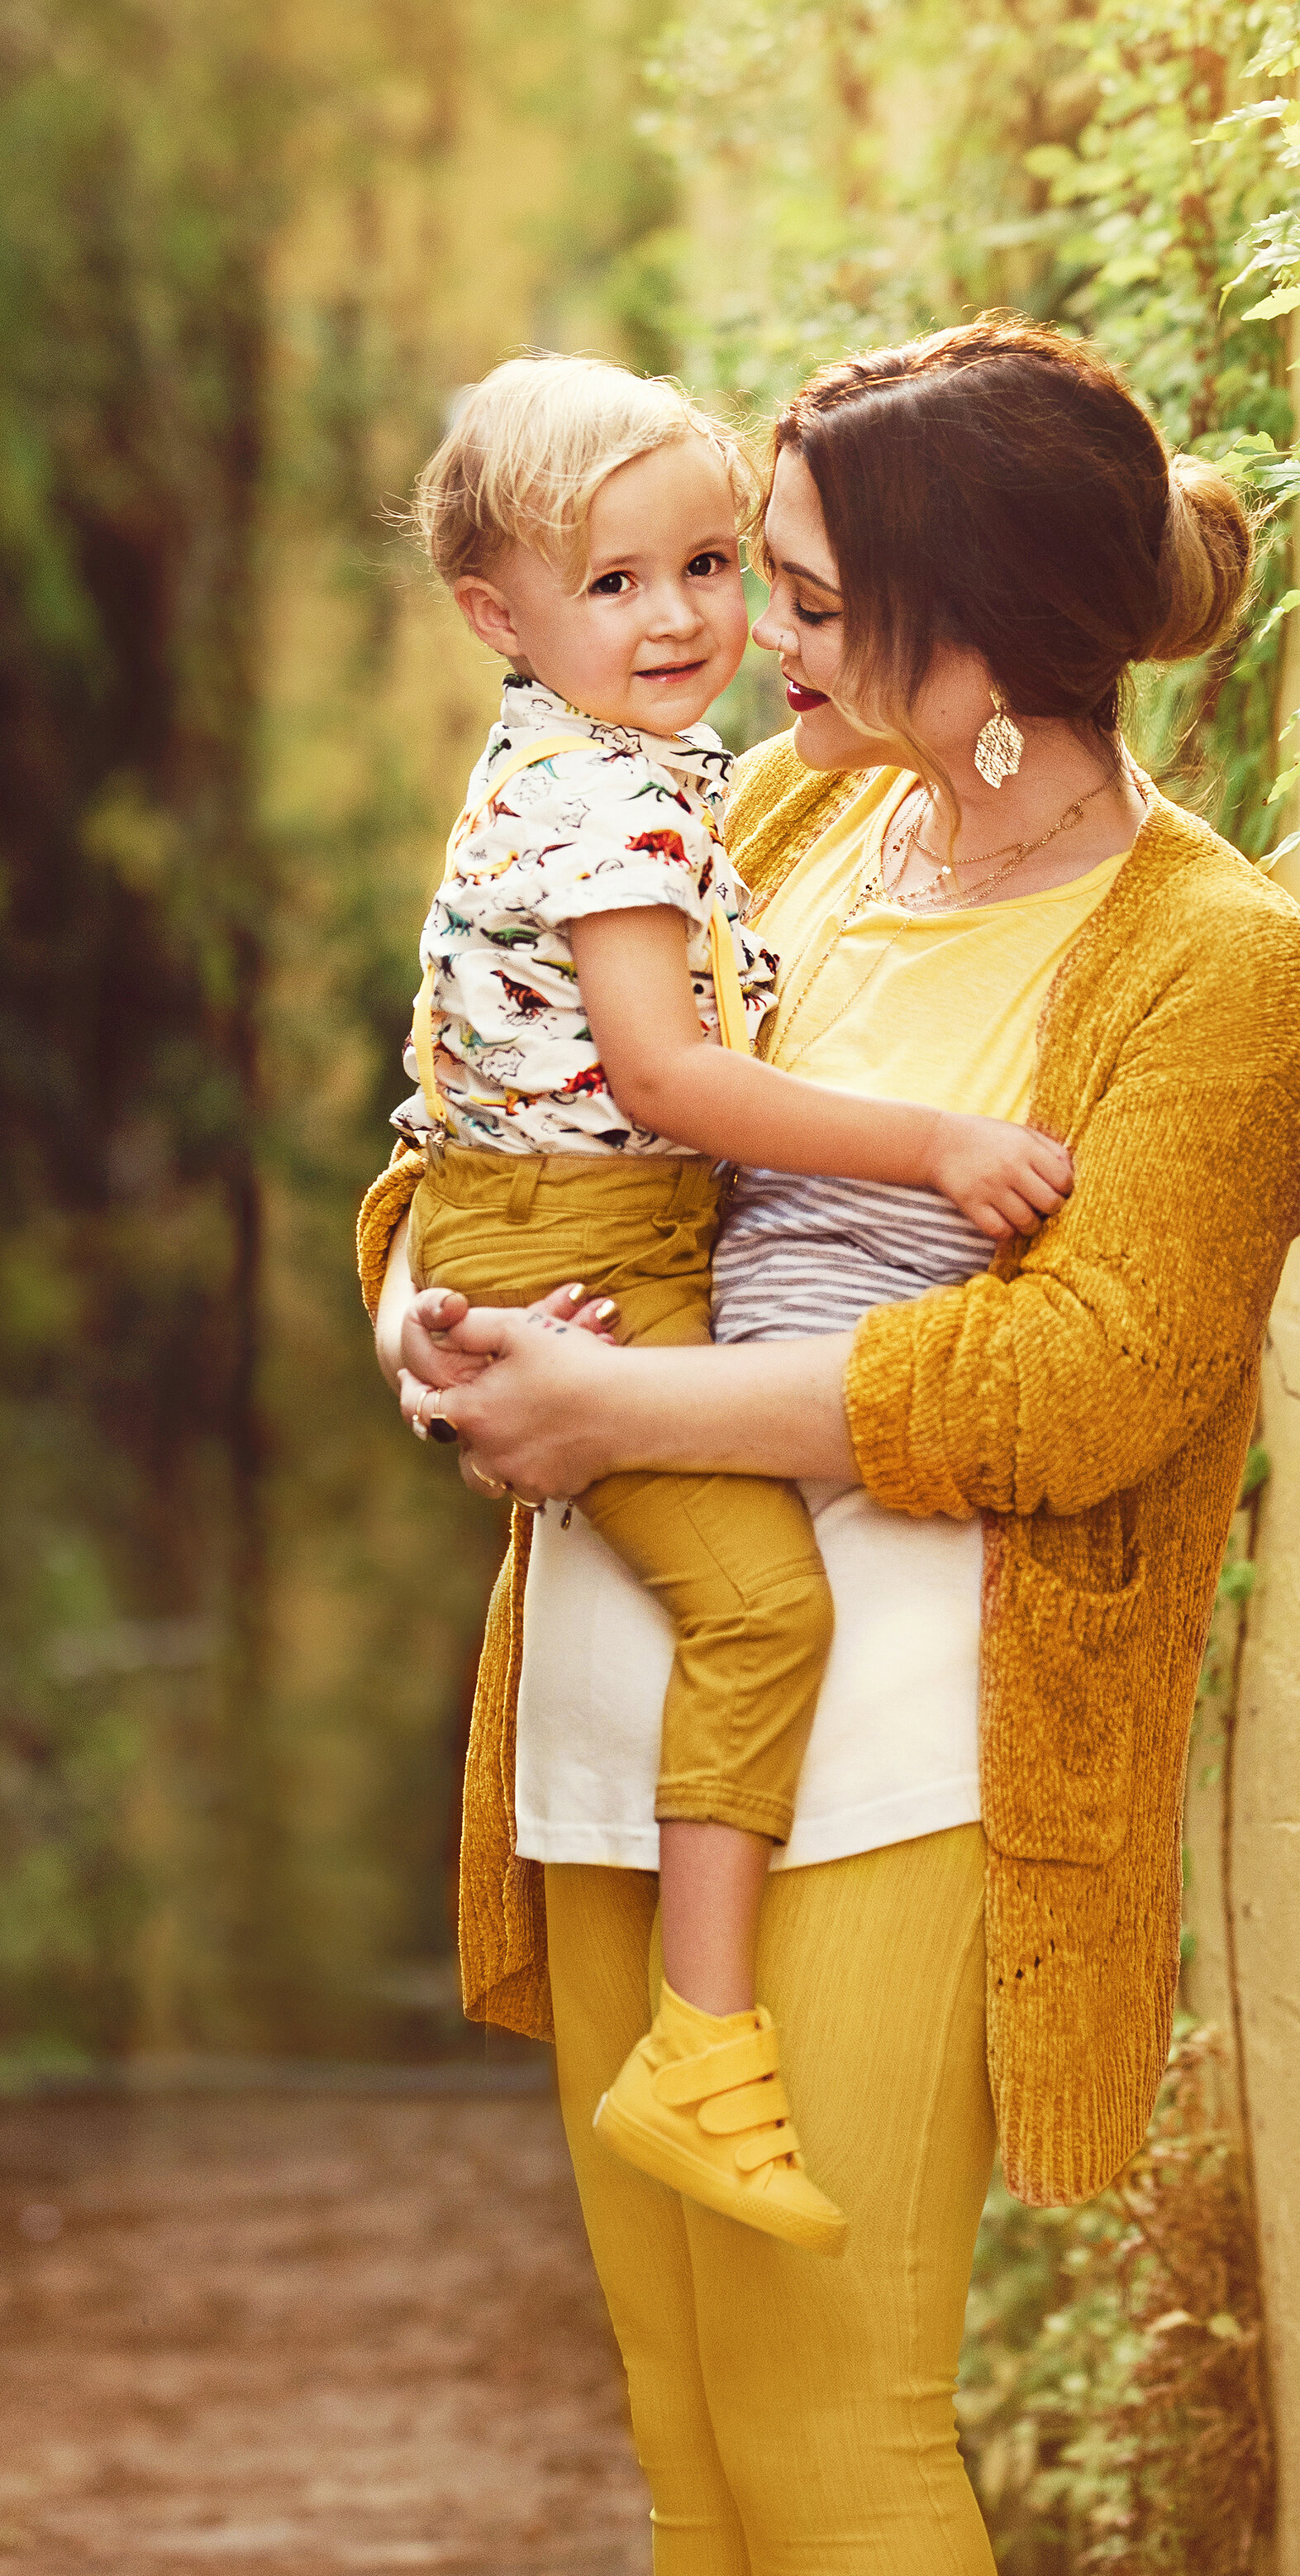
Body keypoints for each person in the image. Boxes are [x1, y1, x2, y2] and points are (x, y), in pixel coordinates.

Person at [364, 317, 1300, 2576]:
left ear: (970, 634)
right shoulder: (779, 815)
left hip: (904, 1735)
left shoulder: (1220, 966)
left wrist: (634, 1425)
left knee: (835, 2420)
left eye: (800, 598)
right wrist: (416, 1306)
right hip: (622, 1674)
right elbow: (510, 1110)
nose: (744, 640)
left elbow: (1086, 1376)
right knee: (686, 2421)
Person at [384, 354, 1074, 2258]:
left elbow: (467, 1059)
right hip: (577, 1243)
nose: (687, 617)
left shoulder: (601, 773)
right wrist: (932, 1145)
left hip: (553, 1240)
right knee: (764, 1610)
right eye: (615, 584)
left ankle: (699, 2036)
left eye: (711, 564)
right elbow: (669, 1085)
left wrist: (444, 1286)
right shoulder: (630, 805)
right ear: (494, 614)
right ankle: (708, 2040)